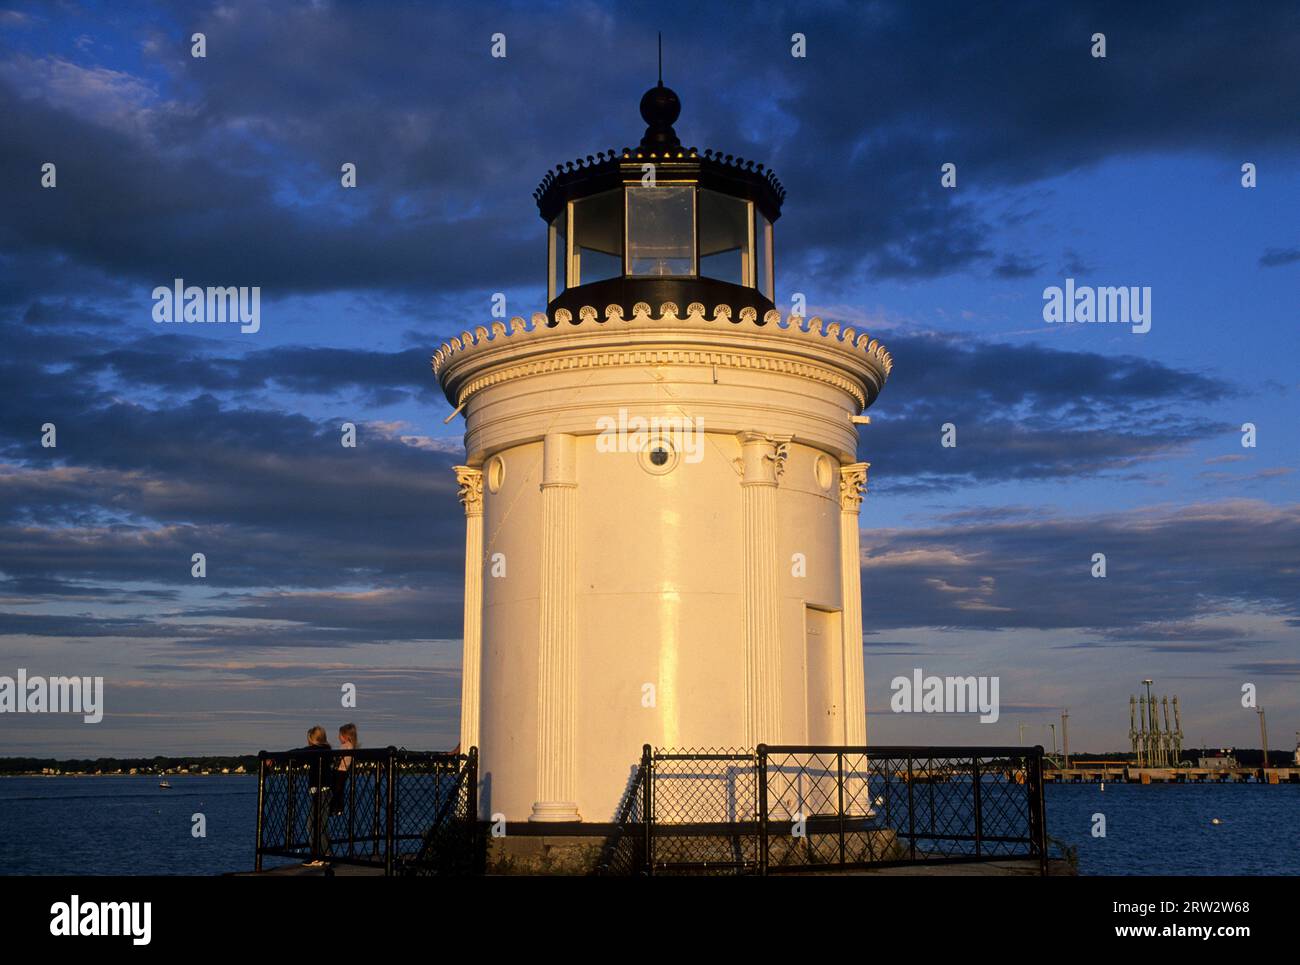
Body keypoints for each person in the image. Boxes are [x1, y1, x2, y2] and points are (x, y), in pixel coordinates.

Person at [300, 725, 332, 867]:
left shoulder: (319, 750)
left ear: (313, 739)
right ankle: (324, 854)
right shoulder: (324, 751)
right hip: (320, 791)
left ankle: (320, 855)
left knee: (314, 824)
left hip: (321, 791)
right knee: (317, 824)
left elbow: (300, 752)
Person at [329, 723, 357, 817]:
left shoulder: (346, 746)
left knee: (336, 790)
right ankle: (339, 808)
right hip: (344, 771)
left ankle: (334, 808)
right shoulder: (351, 746)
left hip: (340, 771)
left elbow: (339, 758)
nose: (338, 737)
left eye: (340, 735)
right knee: (340, 791)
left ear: (345, 736)